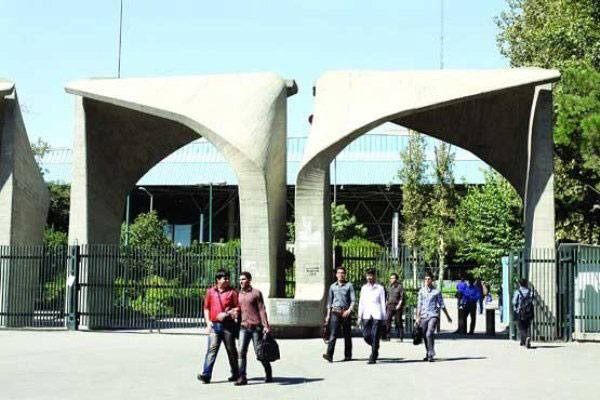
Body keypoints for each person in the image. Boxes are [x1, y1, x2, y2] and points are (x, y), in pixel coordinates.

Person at [198, 269, 240, 384]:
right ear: (218, 279)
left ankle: (235, 373)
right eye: (225, 278)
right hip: (214, 326)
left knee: (231, 350)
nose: (227, 280)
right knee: (211, 350)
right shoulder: (211, 292)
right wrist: (208, 322)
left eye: (228, 278)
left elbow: (238, 308)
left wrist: (227, 314)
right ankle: (206, 374)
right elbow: (206, 307)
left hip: (228, 326)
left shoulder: (233, 292)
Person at [235, 271, 272, 385]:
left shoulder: (256, 293)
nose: (241, 281)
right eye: (240, 279)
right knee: (241, 351)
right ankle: (242, 377)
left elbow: (262, 309)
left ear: (249, 280)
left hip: (256, 328)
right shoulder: (237, 294)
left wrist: (265, 325)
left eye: (243, 279)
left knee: (260, 353)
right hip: (243, 327)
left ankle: (268, 372)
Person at [416, 271, 453, 362]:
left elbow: (441, 304)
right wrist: (417, 317)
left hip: (433, 315)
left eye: (429, 279)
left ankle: (431, 354)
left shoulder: (436, 291)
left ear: (432, 280)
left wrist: (447, 316)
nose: (427, 281)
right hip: (424, 315)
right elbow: (419, 305)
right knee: (425, 335)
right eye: (425, 279)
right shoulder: (421, 291)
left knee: (429, 333)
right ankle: (428, 352)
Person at [323, 266, 356, 362]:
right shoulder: (332, 286)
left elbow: (353, 300)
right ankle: (329, 355)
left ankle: (348, 355)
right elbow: (329, 302)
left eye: (342, 273)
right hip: (335, 312)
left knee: (347, 334)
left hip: (346, 312)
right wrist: (328, 315)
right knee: (333, 334)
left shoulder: (349, 286)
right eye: (339, 273)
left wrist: (349, 310)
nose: (341, 275)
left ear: (345, 274)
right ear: (336, 275)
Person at [357, 268, 386, 364]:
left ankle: (373, 357)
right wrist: (359, 316)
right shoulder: (364, 288)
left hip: (377, 315)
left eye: (371, 275)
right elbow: (361, 303)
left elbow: (383, 303)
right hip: (366, 315)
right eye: (367, 276)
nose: (369, 277)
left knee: (375, 335)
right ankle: (375, 346)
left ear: (374, 276)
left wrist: (384, 317)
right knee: (366, 335)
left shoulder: (380, 288)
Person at [512, 278, 534, 349]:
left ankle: (526, 338)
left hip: (520, 312)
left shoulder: (518, 292)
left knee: (521, 327)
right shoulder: (530, 292)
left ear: (519, 284)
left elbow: (514, 302)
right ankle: (523, 341)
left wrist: (516, 309)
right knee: (526, 326)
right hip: (529, 312)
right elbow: (532, 300)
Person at [384, 273, 405, 341]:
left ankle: (400, 337)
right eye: (391, 278)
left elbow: (402, 297)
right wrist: (386, 304)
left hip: (397, 306)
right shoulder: (389, 286)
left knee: (398, 321)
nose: (392, 279)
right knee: (387, 320)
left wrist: (399, 305)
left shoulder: (400, 287)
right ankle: (387, 336)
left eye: (393, 278)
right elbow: (387, 297)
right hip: (390, 306)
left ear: (396, 279)